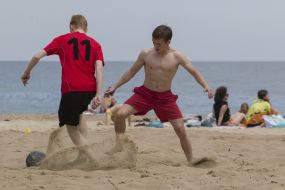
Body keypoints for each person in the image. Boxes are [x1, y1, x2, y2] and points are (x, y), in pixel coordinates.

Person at [105, 25, 213, 165]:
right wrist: (115, 86)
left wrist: (206, 87)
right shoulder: (146, 54)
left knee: (180, 129)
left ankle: (190, 160)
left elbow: (194, 72)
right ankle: (119, 144)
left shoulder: (177, 56)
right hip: (145, 94)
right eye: (154, 43)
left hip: (165, 98)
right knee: (119, 115)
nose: (156, 47)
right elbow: (131, 72)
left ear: (168, 42)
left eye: (159, 44)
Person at [21, 15, 104, 165]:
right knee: (79, 116)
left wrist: (26, 73)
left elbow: (37, 56)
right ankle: (82, 156)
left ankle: (94, 159)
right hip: (90, 89)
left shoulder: (62, 40)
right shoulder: (96, 44)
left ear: (72, 27)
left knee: (71, 127)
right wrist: (98, 93)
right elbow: (99, 68)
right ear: (86, 28)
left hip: (72, 89)